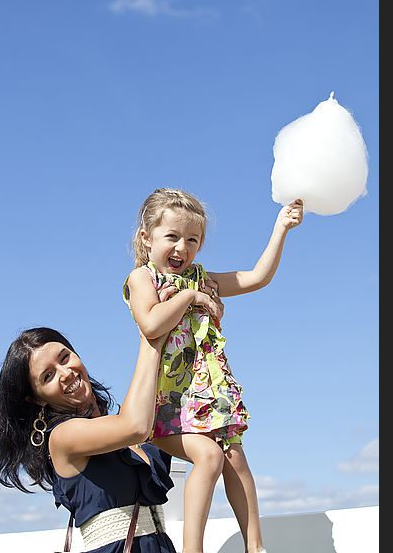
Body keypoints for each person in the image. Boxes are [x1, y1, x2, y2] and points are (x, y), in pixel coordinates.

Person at [122, 188, 304, 553]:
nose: (182, 248)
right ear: (147, 238)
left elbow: (256, 277)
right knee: (209, 456)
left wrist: (281, 227)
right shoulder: (143, 278)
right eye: (172, 237)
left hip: (208, 395)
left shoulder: (202, 276)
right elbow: (151, 323)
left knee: (235, 456)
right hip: (164, 403)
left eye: (193, 240)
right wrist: (191, 297)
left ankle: (256, 547)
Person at [0, 327, 178, 553]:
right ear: (37, 399)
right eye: (48, 376)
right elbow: (136, 426)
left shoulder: (114, 427)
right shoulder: (62, 437)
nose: (65, 373)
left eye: (65, 358)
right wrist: (151, 339)